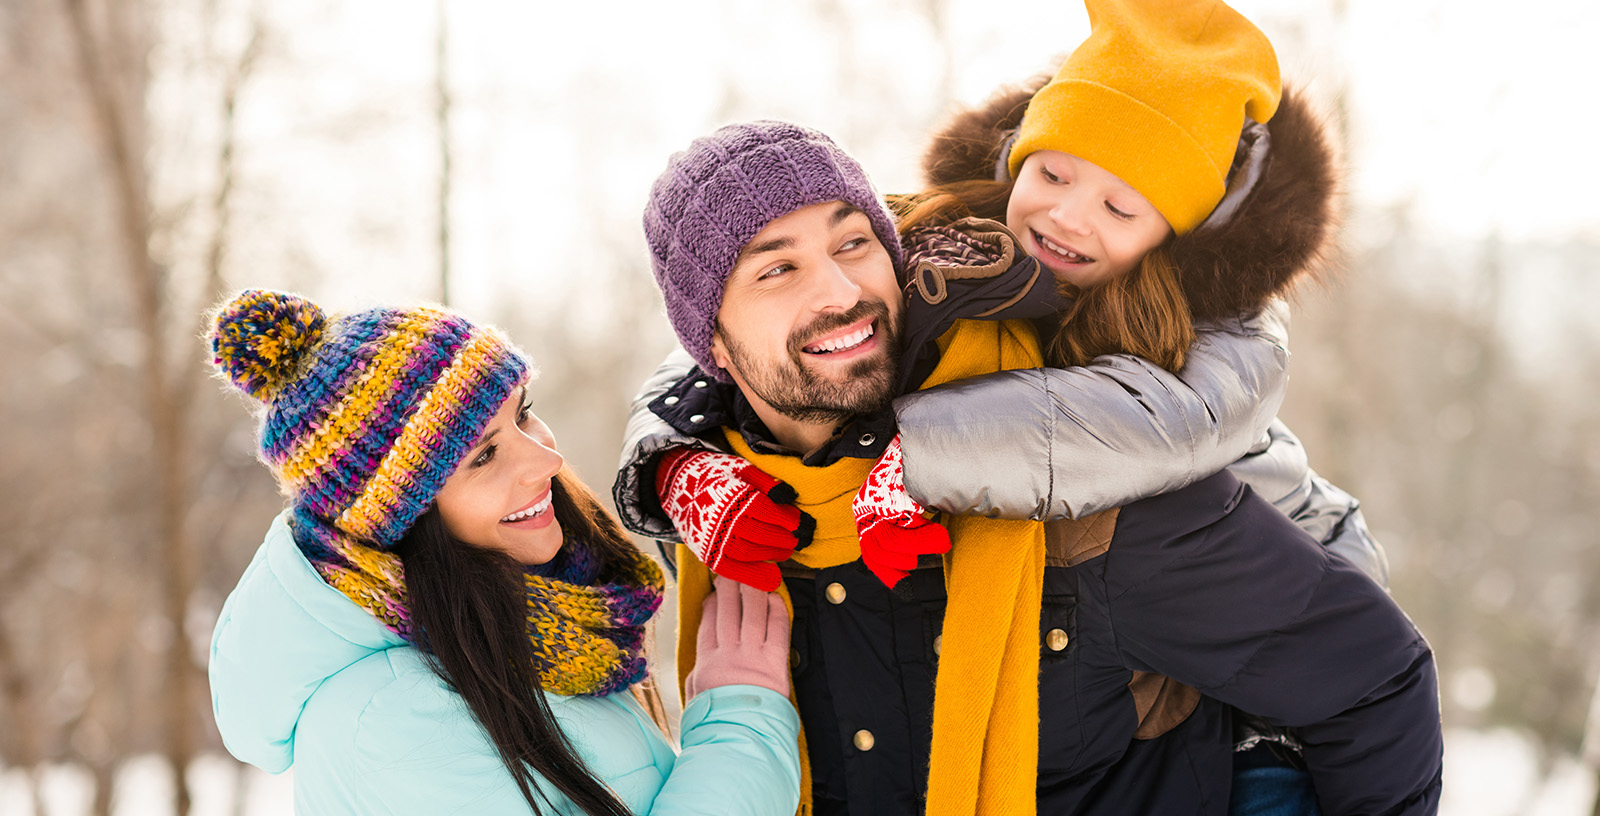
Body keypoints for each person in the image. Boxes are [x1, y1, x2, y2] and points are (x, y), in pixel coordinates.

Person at [616, 115, 1441, 815]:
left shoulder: (1079, 481)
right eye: (776, 268)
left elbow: (1374, 685)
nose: (840, 290)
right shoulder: (719, 530)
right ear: (711, 343)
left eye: (856, 241)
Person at [204, 289, 801, 815]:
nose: (546, 460)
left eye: (525, 413)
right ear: (402, 523)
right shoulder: (392, 726)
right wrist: (740, 727)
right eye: (484, 457)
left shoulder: (525, 627)